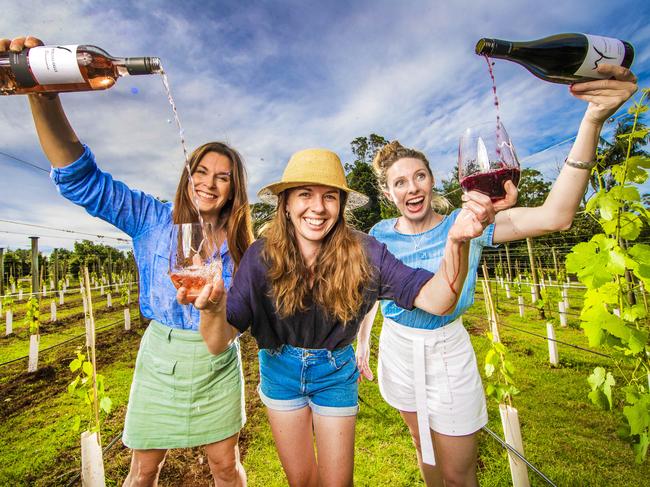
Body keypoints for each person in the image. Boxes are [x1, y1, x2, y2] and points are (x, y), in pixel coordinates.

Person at [355, 64, 638, 486]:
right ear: (388, 193)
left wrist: (592, 120)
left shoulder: (470, 223)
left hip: (446, 352)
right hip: (396, 350)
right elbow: (370, 296)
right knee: (421, 449)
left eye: (419, 176)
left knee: (459, 474)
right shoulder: (378, 234)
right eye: (400, 183)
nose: (412, 188)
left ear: (434, 180)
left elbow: (556, 216)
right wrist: (363, 343)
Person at [3, 36, 253, 487]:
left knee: (224, 467)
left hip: (217, 362)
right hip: (160, 357)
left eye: (223, 177)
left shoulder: (244, 250)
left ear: (234, 189)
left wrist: (215, 309)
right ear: (187, 177)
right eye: (200, 172)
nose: (209, 184)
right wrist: (42, 95)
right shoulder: (150, 218)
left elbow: (233, 327)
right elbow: (83, 181)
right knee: (142, 469)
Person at [180, 146, 498, 487]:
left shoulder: (366, 252)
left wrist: (456, 242)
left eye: (329, 197)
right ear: (285, 204)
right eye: (305, 195)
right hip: (280, 371)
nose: (317, 208)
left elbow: (439, 301)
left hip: (335, 373)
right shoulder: (261, 256)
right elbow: (217, 342)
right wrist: (213, 309)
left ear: (340, 206)